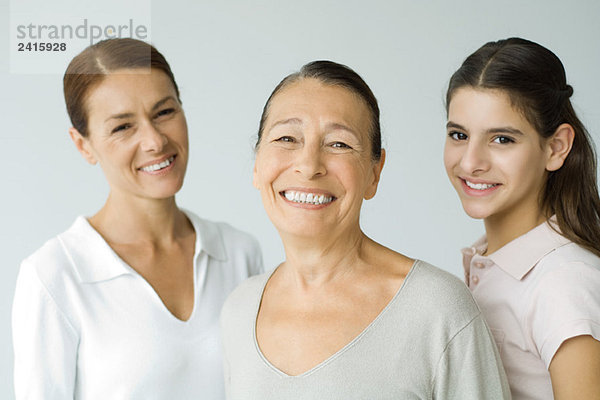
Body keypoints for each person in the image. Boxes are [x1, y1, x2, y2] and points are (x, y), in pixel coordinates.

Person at [221, 60, 510, 399]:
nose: (309, 165)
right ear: (257, 164)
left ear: (374, 172)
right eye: (287, 138)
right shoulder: (239, 310)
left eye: (339, 144)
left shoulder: (437, 310)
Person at [12, 38, 263, 399]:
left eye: (164, 112)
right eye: (122, 127)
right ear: (83, 145)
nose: (155, 141)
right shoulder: (55, 275)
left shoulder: (238, 253)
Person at [444, 37, 600, 399]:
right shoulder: (487, 263)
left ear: (556, 147)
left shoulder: (563, 281)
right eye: (458, 135)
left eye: (502, 139)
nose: (470, 162)